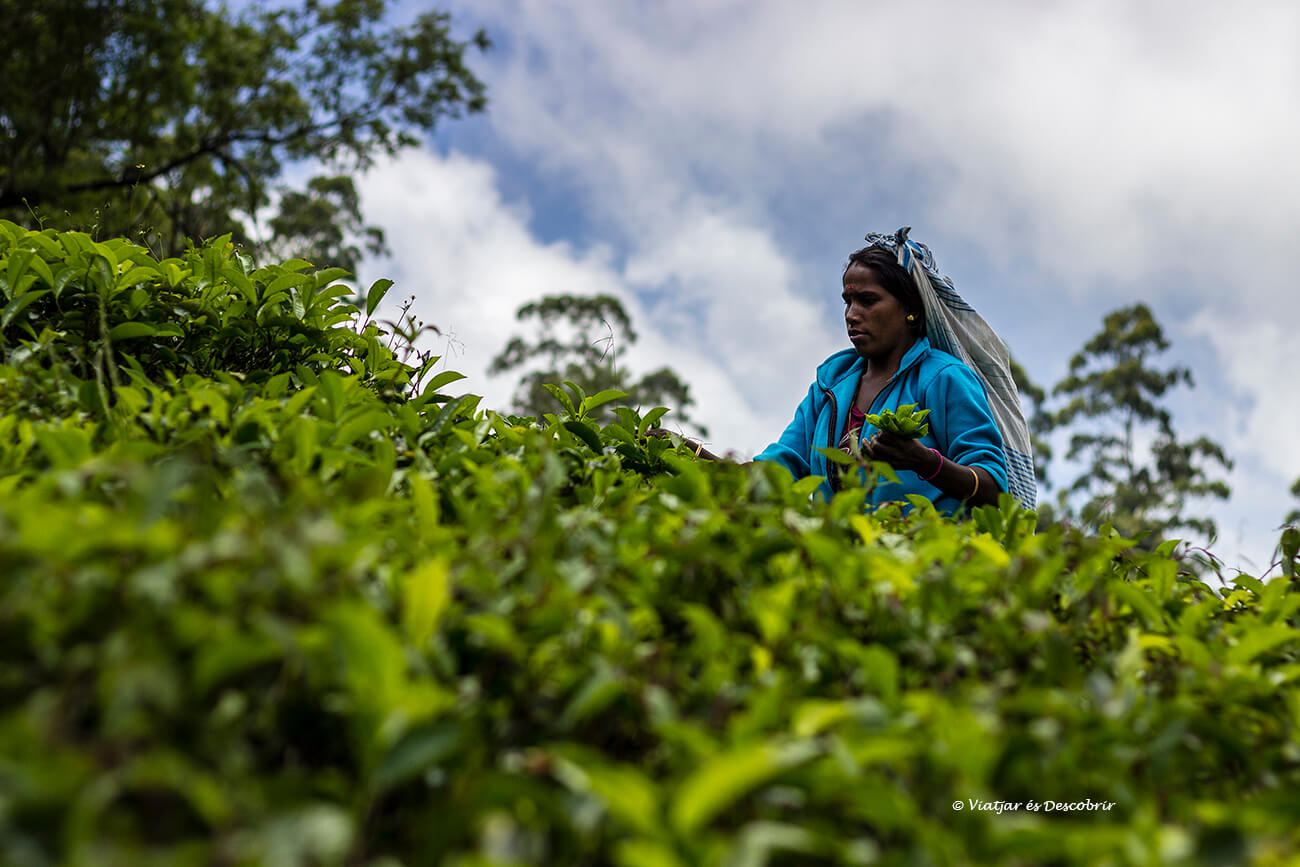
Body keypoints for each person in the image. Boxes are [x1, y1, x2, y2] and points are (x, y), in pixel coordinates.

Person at [671, 228, 1037, 515]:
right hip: (843, 567)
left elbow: (994, 491)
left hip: (929, 565)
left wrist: (925, 462)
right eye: (848, 301)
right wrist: (689, 456)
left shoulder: (944, 379)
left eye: (868, 300)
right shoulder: (831, 385)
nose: (851, 314)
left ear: (910, 309)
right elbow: (775, 474)